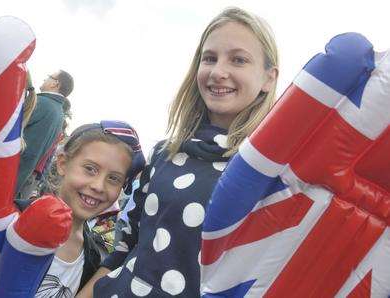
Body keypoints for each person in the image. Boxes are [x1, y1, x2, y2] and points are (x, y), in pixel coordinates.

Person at [77, 6, 279, 298]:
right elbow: (126, 244)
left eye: (238, 60)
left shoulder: (273, 171)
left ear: (269, 78)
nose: (218, 72)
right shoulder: (164, 152)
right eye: (209, 58)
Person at [26, 121, 145, 297]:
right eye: (90, 169)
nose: (98, 186)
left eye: (113, 178)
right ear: (62, 164)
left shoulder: (91, 258)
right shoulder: (15, 219)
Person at [15, 69, 74, 200]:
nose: (45, 79)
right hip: (26, 174)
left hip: (12, 169)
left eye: (49, 77)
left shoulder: (43, 103)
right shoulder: (58, 112)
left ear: (56, 84)